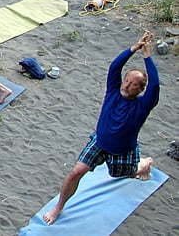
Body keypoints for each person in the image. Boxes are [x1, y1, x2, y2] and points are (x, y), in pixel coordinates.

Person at [43, 31, 159, 225]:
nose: (127, 85)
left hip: (124, 150)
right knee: (76, 172)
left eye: (133, 84)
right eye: (127, 80)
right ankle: (58, 208)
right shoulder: (113, 91)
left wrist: (147, 54)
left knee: (123, 174)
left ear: (140, 90)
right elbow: (115, 66)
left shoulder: (143, 105)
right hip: (100, 142)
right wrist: (135, 47)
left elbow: (154, 85)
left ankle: (144, 165)